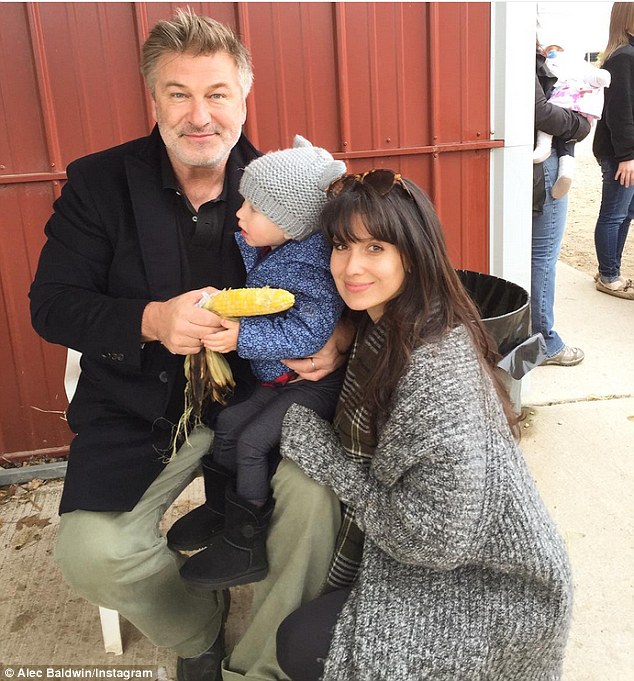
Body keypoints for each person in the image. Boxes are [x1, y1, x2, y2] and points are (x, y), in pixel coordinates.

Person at [28, 9, 349, 681]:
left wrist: (344, 330)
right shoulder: (98, 184)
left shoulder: (286, 185)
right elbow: (51, 305)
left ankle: (261, 664)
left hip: (265, 396)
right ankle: (199, 629)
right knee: (92, 552)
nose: (200, 116)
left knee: (315, 508)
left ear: (243, 99)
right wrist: (150, 320)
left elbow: (360, 274)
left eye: (217, 94)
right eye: (179, 94)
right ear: (154, 100)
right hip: (142, 403)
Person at [274, 170, 574, 680]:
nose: (351, 267)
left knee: (302, 646)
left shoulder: (434, 370)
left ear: (412, 254)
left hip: (497, 588)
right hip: (454, 557)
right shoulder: (396, 323)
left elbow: (436, 543)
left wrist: (328, 459)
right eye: (342, 246)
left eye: (375, 248)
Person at [169, 136, 346, 591]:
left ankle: (245, 544)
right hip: (278, 380)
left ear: (291, 222)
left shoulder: (308, 267)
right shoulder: (273, 248)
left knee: (250, 443)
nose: (239, 213)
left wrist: (242, 336)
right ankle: (222, 510)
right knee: (227, 425)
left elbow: (312, 333)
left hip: (307, 384)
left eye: (253, 207)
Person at [534, 42, 591, 366]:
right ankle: (545, 342)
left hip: (534, 162)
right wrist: (579, 125)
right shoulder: (527, 55)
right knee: (543, 256)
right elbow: (540, 111)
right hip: (545, 165)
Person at [592, 2, 634, 300]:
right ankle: (608, 275)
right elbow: (620, 113)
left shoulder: (626, 54)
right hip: (621, 153)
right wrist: (627, 156)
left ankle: (610, 268)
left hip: (625, 151)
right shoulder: (624, 57)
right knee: (614, 213)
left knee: (625, 212)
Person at [533, 44, 611, 199]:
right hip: (564, 120)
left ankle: (561, 167)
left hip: (563, 115)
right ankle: (563, 168)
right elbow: (540, 112)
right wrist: (580, 126)